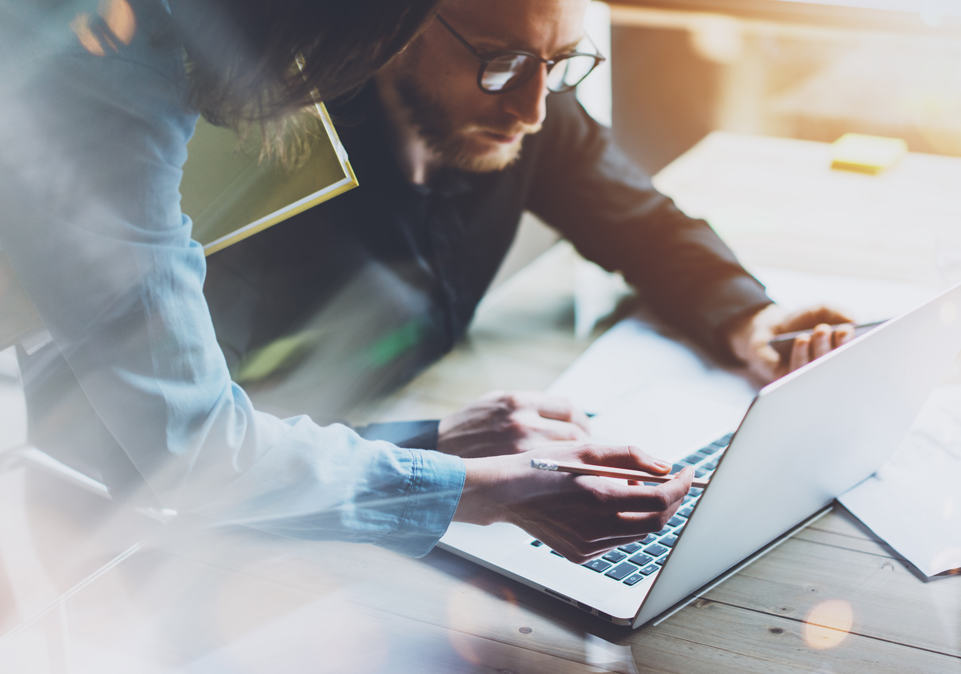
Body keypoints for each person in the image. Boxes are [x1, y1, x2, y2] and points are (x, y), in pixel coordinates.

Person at [0, 0, 696, 564]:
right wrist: (470, 486)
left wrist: (444, 455)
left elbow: (622, 200)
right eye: (498, 59)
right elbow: (174, 446)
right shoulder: (117, 76)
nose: (532, 108)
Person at [202, 0, 855, 458]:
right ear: (394, 25)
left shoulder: (517, 111)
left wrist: (748, 318)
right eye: (501, 62)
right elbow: (194, 442)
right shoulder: (262, 187)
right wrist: (433, 443)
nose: (534, 109)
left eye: (559, 62)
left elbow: (641, 224)